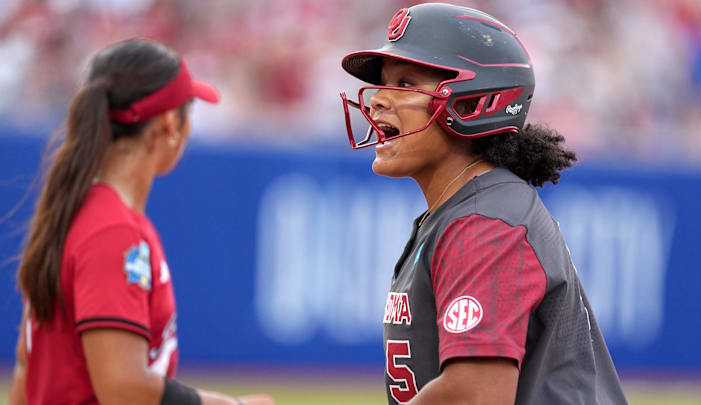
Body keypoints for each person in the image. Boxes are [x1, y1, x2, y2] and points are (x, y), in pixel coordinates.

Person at [339, 3, 627, 405]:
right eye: (385, 83)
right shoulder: (463, 211)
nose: (378, 100)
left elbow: (475, 396)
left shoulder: (485, 222)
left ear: (474, 103)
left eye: (406, 83)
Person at [8, 39, 273, 405]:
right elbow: (123, 388)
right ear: (168, 125)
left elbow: (27, 366)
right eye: (187, 112)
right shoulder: (112, 232)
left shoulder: (76, 212)